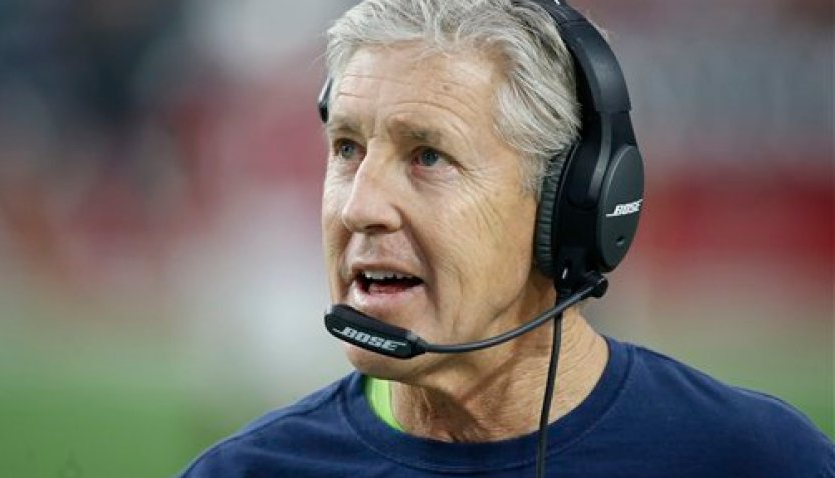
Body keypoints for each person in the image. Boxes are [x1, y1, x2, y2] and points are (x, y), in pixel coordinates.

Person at [179, 0, 834, 476]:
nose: (359, 207)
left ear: (569, 207)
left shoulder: (758, 460)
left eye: (428, 156)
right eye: (347, 148)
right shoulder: (242, 472)